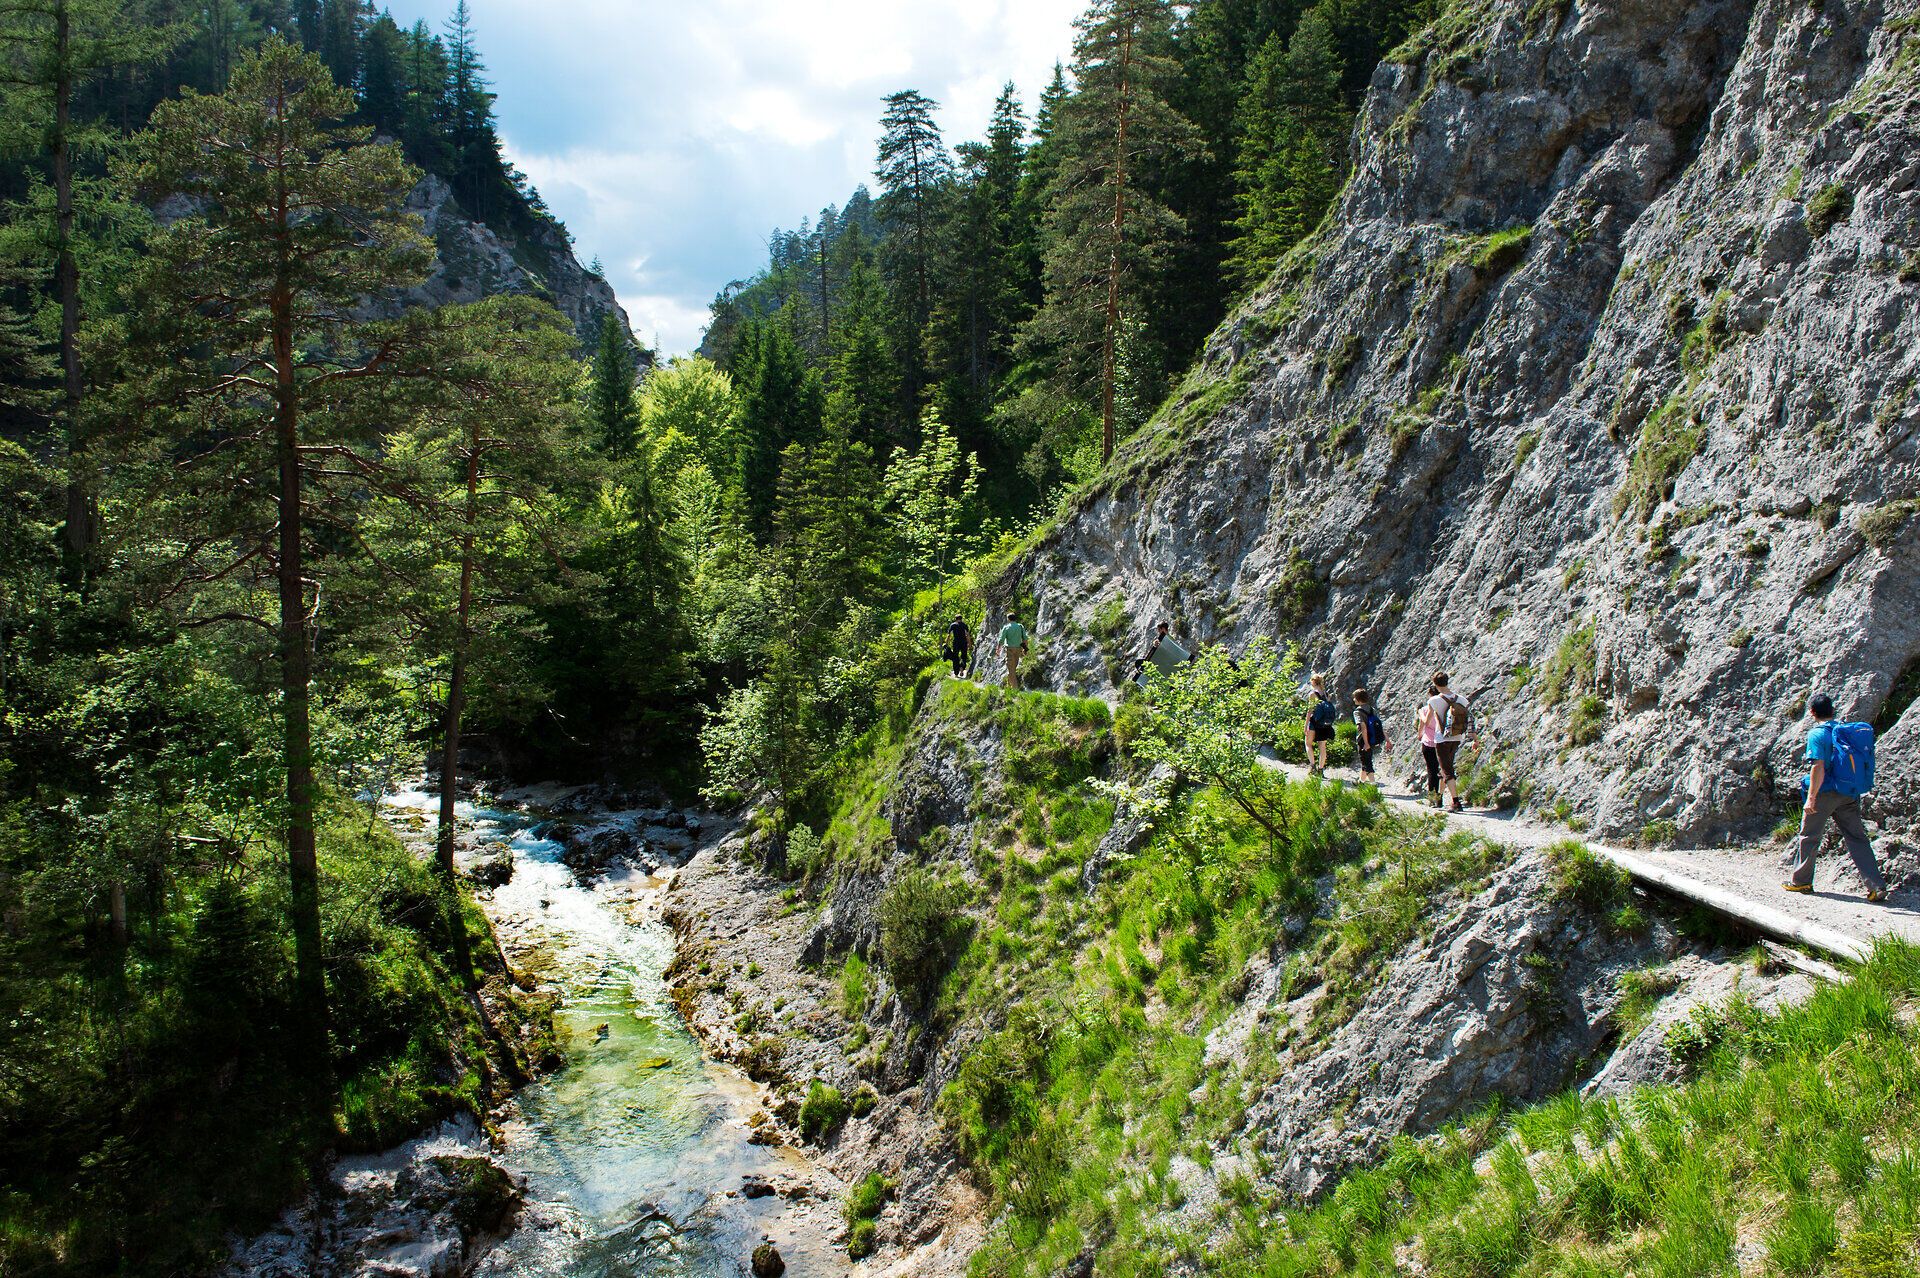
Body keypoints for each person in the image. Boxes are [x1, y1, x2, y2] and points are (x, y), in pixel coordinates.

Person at [1784, 694, 1889, 900]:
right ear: (1833, 710)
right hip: (1848, 793)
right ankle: (1876, 886)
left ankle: (1801, 882)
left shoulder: (1817, 734)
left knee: (1809, 836)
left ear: (1812, 712)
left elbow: (1818, 767)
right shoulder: (1843, 730)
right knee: (1857, 838)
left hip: (1825, 793)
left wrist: (1811, 798)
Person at [1425, 672, 1476, 812]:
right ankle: (1438, 798)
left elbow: (1427, 721)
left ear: (1435, 683)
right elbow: (1470, 718)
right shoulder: (1461, 699)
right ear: (1447, 681)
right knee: (1445, 767)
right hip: (1457, 737)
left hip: (1442, 739)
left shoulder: (1433, 701)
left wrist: (1421, 716)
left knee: (1447, 770)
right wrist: (1475, 739)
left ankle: (1456, 802)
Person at [1352, 686, 1390, 784]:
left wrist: (1366, 742)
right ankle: (1361, 781)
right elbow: (1379, 725)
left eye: (1354, 698)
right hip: (1373, 737)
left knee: (1366, 761)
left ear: (1358, 699)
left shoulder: (1357, 711)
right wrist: (1387, 740)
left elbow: (1363, 727)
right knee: (1366, 758)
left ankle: (1373, 783)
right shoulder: (1372, 709)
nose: (1353, 699)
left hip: (1363, 739)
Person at [1304, 672, 1336, 777]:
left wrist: (1306, 724)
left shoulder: (1312, 694)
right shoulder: (1326, 694)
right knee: (1322, 747)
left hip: (1314, 722)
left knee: (1308, 744)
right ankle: (1321, 770)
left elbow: (1310, 710)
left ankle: (1312, 766)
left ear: (1313, 682)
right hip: (1325, 724)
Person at [1000, 616, 1029, 690]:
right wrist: (1025, 649)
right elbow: (1025, 638)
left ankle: (1015, 689)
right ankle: (1009, 686)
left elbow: (1001, 640)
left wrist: (998, 649)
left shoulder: (1006, 627)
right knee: (1013, 668)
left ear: (1008, 619)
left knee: (1011, 669)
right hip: (1018, 649)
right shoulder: (1020, 626)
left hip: (1010, 649)